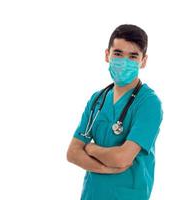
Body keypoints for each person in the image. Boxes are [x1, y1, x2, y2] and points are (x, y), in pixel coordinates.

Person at [67, 24, 163, 200]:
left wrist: (91, 148)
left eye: (133, 56)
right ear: (107, 55)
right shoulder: (97, 99)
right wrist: (106, 168)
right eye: (118, 53)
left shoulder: (148, 103)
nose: (124, 62)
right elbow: (72, 153)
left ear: (143, 61)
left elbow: (122, 159)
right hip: (92, 194)